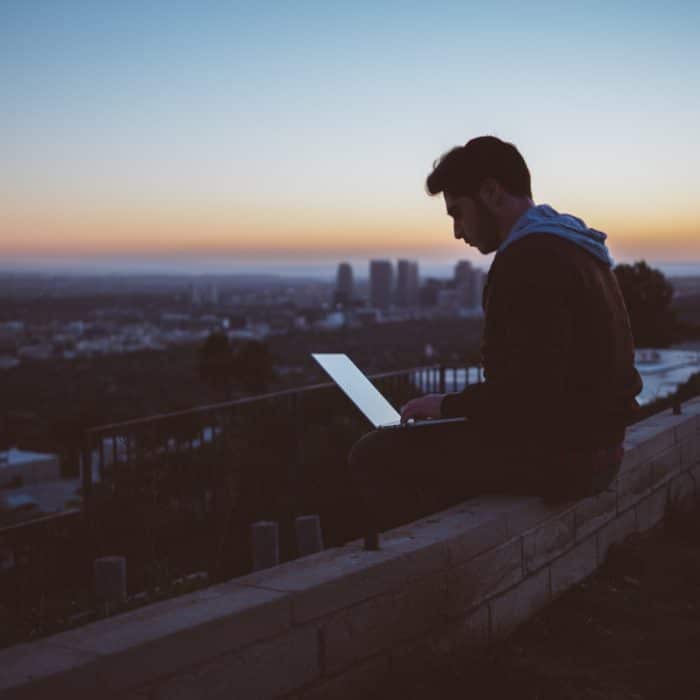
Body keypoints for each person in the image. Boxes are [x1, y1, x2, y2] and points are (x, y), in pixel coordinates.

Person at [347, 135, 642, 545]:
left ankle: (428, 572)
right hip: (599, 447)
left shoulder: (527, 259)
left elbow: (527, 394)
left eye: (458, 213)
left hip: (568, 457)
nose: (456, 232)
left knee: (375, 454)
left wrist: (446, 405)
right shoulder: (576, 246)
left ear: (490, 192)